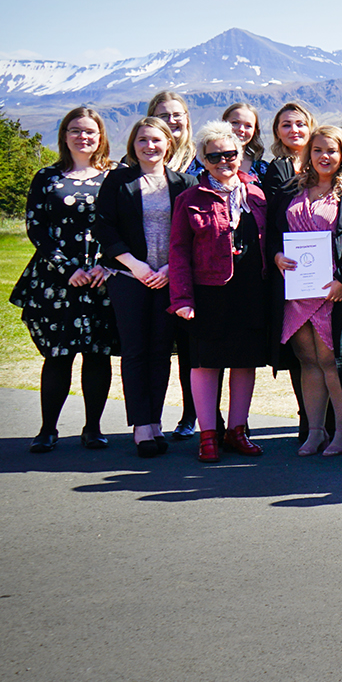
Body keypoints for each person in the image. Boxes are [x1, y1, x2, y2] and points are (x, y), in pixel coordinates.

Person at [269, 125, 342, 457]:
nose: (324, 156)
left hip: (336, 292)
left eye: (332, 150)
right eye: (318, 150)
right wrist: (277, 255)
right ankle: (315, 431)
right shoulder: (293, 189)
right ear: (309, 154)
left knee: (332, 361)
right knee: (308, 360)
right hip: (299, 292)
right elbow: (274, 232)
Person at [12, 107, 120, 452]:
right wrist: (66, 268)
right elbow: (36, 226)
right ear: (64, 135)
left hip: (101, 278)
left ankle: (93, 427)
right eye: (76, 130)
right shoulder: (47, 176)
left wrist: (106, 265)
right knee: (58, 355)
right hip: (57, 280)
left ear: (101, 136)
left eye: (90, 131)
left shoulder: (115, 176)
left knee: (97, 354)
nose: (83, 137)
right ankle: (47, 429)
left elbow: (125, 226)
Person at [169, 122, 272, 463]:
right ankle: (208, 434)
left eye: (230, 154)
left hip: (249, 289)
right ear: (203, 159)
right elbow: (179, 251)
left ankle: (238, 430)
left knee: (245, 362)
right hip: (208, 291)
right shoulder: (189, 199)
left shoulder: (257, 194)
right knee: (205, 364)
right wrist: (182, 299)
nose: (224, 161)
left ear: (240, 155)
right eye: (214, 156)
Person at [94, 116, 191, 457]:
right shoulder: (118, 181)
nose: (150, 146)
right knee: (135, 351)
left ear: (169, 143)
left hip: (168, 278)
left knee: (161, 352)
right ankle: (141, 426)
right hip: (128, 279)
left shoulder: (183, 183)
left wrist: (167, 269)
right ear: (133, 145)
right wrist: (136, 267)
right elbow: (104, 229)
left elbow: (188, 234)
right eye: (142, 140)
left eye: (156, 140)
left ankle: (156, 421)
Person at [146, 91, 201, 440]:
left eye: (178, 114)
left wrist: (177, 266)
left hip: (192, 271)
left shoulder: (200, 160)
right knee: (155, 349)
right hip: (150, 273)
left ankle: (191, 415)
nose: (172, 120)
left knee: (192, 351)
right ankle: (151, 418)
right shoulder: (144, 159)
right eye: (164, 114)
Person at [268, 101, 315, 195]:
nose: (294, 130)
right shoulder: (278, 167)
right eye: (286, 125)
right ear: (278, 133)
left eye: (300, 124)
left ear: (311, 129)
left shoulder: (323, 162)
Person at [147, 91, 194, 173]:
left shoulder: (201, 157)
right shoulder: (137, 159)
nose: (171, 121)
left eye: (177, 115)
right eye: (163, 116)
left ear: (186, 118)